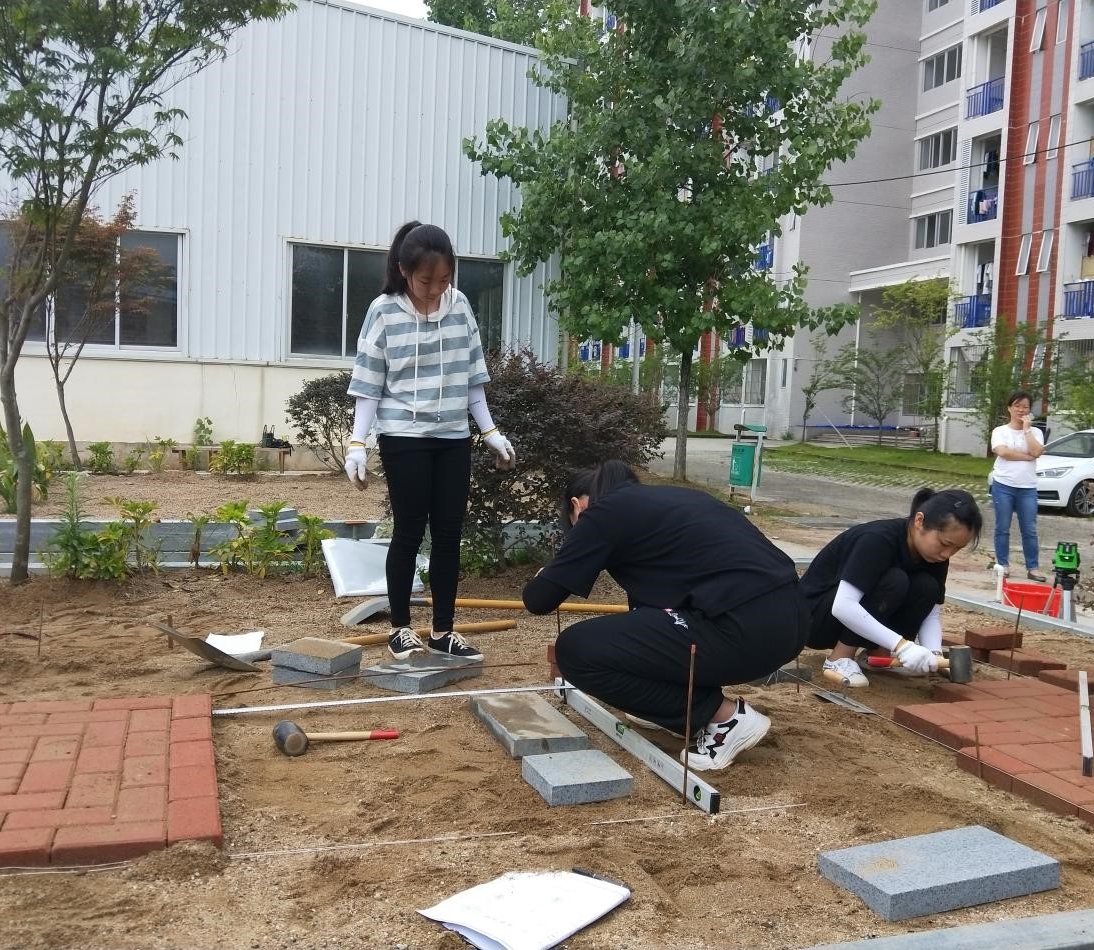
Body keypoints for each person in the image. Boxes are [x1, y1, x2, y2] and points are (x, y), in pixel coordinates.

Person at [522, 461, 809, 772]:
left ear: (577, 506)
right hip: (791, 620)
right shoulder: (671, 501)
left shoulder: (602, 513)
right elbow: (650, 613)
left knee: (575, 650)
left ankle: (726, 718)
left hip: (743, 628)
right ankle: (671, 712)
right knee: (639, 625)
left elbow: (539, 600)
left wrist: (548, 573)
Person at [345, 221, 517, 662]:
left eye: (444, 280)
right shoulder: (383, 312)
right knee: (408, 532)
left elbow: (472, 378)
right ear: (404, 271)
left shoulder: (459, 307)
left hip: (453, 437)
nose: (435, 290)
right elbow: (369, 385)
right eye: (426, 281)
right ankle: (401, 629)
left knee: (448, 535)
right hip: (403, 436)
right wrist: (357, 443)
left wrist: (490, 431)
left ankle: (443, 631)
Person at [800, 488, 983, 688]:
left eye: (957, 548)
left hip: (849, 620)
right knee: (894, 580)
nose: (947, 554)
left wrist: (934, 655)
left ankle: (879, 655)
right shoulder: (877, 539)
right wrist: (903, 646)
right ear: (919, 521)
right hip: (813, 620)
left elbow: (932, 613)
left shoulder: (935, 556)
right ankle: (839, 658)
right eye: (944, 543)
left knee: (927, 586)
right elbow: (843, 606)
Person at [990, 390, 1046, 583]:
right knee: (1002, 526)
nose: (1021, 410)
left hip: (1027, 487)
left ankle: (1033, 567)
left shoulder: (1036, 432)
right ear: (1009, 408)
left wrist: (1027, 430)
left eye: (1025, 407)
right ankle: (1003, 565)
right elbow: (1003, 452)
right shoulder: (1000, 431)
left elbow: (1037, 451)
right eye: (1017, 406)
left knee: (1029, 529)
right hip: (1003, 484)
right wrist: (1026, 457)